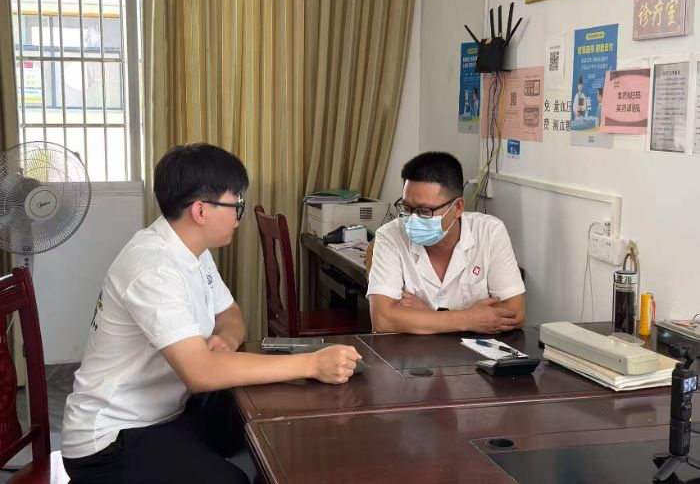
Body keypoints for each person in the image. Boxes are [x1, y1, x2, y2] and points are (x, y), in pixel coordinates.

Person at [61, 143, 361, 483]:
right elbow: (200, 373)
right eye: (236, 205)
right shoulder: (153, 268)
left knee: (271, 416)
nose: (238, 217)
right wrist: (312, 363)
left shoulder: (191, 248)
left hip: (169, 410)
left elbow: (230, 312)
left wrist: (226, 340)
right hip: (112, 439)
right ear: (201, 211)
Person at [367, 151, 525, 335]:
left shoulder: (490, 232)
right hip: (411, 351)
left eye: (424, 211)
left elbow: (516, 313)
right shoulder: (390, 235)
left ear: (457, 207)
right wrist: (468, 319)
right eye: (406, 208)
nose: (411, 218)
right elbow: (382, 319)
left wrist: (429, 316)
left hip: (474, 350)